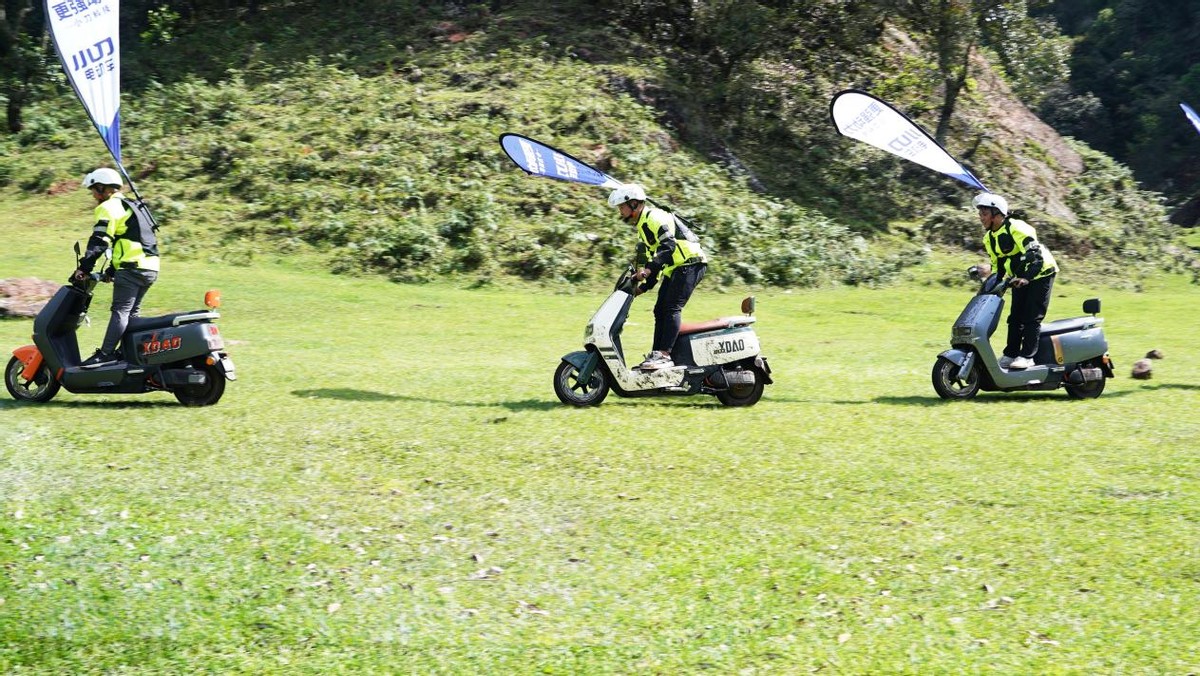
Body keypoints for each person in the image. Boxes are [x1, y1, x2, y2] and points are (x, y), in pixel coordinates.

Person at [608, 183, 708, 370]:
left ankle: (664, 355)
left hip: (690, 264)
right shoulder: (643, 226)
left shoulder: (654, 218)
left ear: (634, 204)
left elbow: (668, 247)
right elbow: (657, 261)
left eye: (621, 207)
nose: (620, 211)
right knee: (659, 309)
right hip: (676, 268)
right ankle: (655, 356)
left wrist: (646, 271)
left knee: (671, 308)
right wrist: (643, 287)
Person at [72, 168, 160, 368]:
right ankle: (129, 352)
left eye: (94, 190)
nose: (93, 195)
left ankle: (105, 354)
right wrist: (111, 271)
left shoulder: (109, 207)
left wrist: (84, 268)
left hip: (132, 268)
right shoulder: (131, 205)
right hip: (150, 266)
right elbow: (129, 239)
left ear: (103, 188)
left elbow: (100, 240)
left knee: (120, 311)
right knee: (132, 313)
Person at [974, 192, 1058, 370]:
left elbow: (1036, 256)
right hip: (1019, 277)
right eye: (980, 214)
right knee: (1014, 318)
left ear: (997, 214)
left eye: (984, 214)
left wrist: (1026, 278)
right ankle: (1010, 353)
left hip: (1041, 272)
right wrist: (986, 288)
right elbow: (997, 268)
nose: (981, 218)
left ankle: (1028, 357)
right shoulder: (989, 238)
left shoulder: (1016, 227)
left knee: (1031, 316)